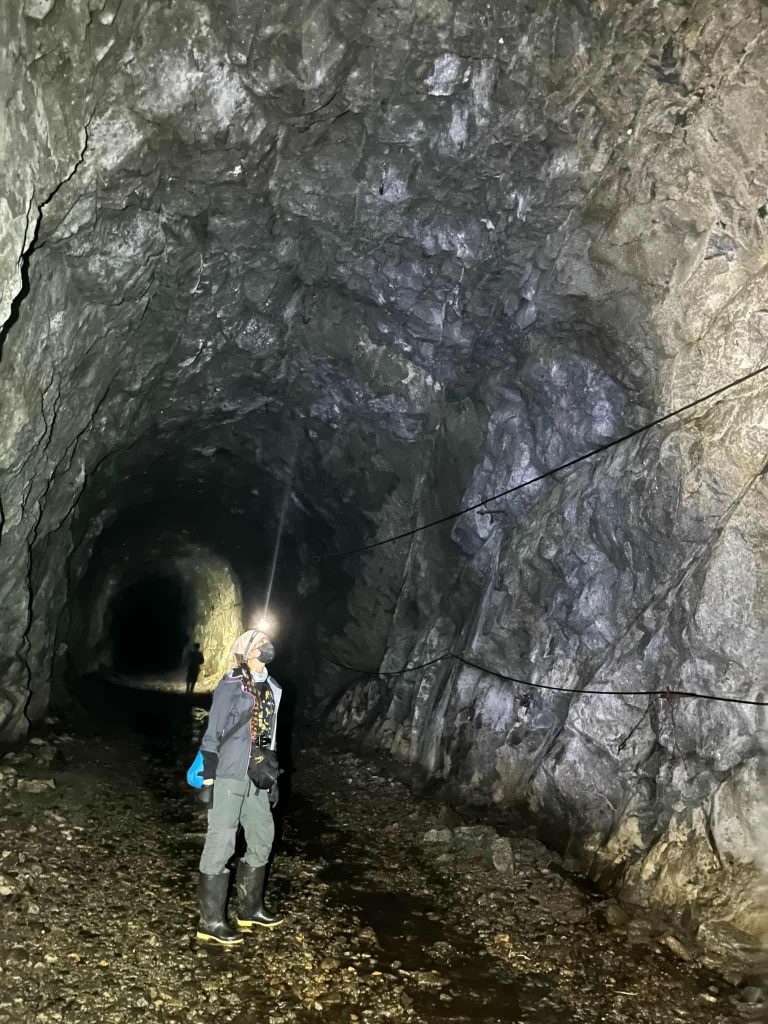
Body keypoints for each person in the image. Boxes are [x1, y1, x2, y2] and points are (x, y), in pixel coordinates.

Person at [195, 629, 284, 945]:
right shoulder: (232, 684)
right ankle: (210, 921)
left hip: (257, 776)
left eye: (266, 641)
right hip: (230, 772)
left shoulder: (273, 688)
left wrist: (271, 779)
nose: (266, 645)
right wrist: (209, 778)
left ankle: (250, 910)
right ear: (246, 652)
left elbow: (267, 737)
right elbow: (212, 732)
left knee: (263, 835)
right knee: (222, 840)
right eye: (259, 643)